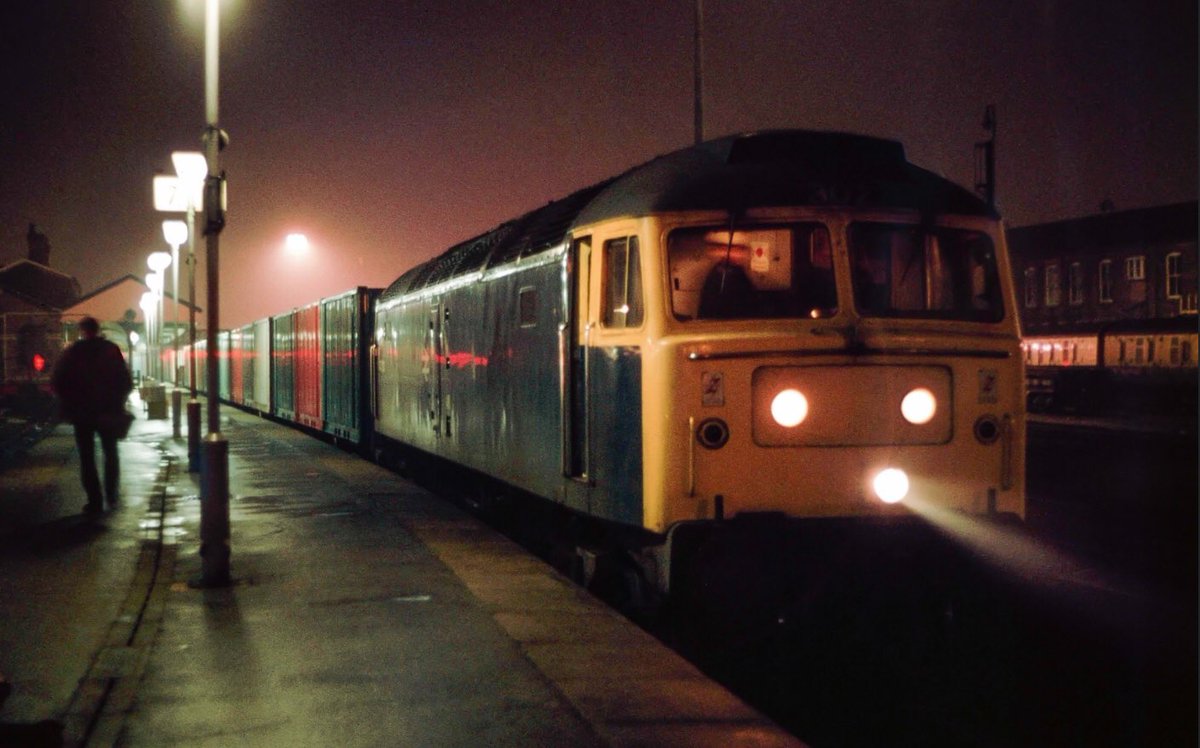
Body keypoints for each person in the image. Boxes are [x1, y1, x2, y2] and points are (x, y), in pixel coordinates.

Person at [51, 317, 133, 513]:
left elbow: (58, 380)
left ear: (82, 330)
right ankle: (112, 495)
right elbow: (125, 381)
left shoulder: (73, 352)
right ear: (98, 329)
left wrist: (70, 402)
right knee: (110, 453)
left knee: (86, 458)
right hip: (108, 411)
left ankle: (94, 501)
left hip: (82, 413)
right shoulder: (110, 349)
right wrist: (117, 402)